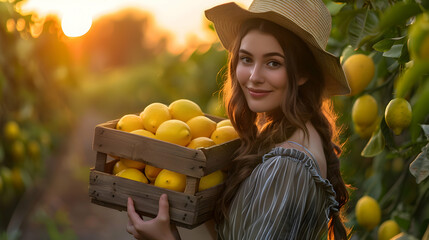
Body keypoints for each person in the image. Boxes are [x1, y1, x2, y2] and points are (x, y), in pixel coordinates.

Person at [126, 0, 351, 239]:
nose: (254, 76)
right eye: (246, 59)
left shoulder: (286, 167)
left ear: (303, 73)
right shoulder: (286, 136)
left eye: (273, 63)